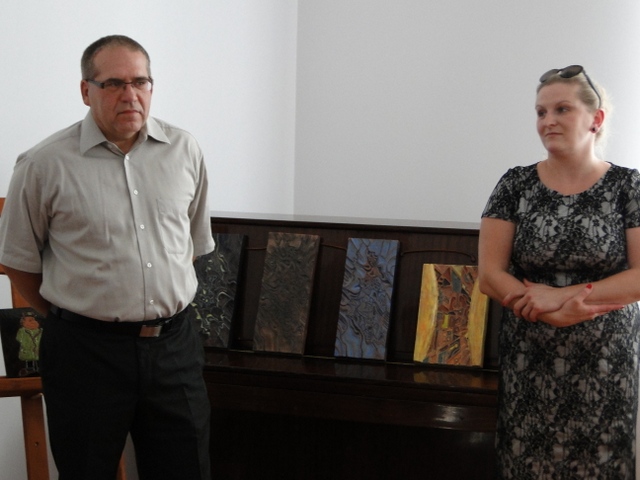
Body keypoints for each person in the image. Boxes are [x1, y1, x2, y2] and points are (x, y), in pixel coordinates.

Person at [0, 35, 215, 480]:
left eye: (140, 82)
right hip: (85, 355)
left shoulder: (184, 150)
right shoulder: (42, 164)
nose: (130, 95)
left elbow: (190, 247)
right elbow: (18, 262)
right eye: (114, 83)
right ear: (86, 91)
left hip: (174, 349)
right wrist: (76, 315)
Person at [479, 65, 640, 479]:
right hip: (530, 364)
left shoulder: (629, 187)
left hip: (606, 368)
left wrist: (562, 297)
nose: (547, 120)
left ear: (595, 118)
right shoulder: (514, 184)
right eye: (541, 112)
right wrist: (549, 312)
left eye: (562, 109)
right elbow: (490, 274)